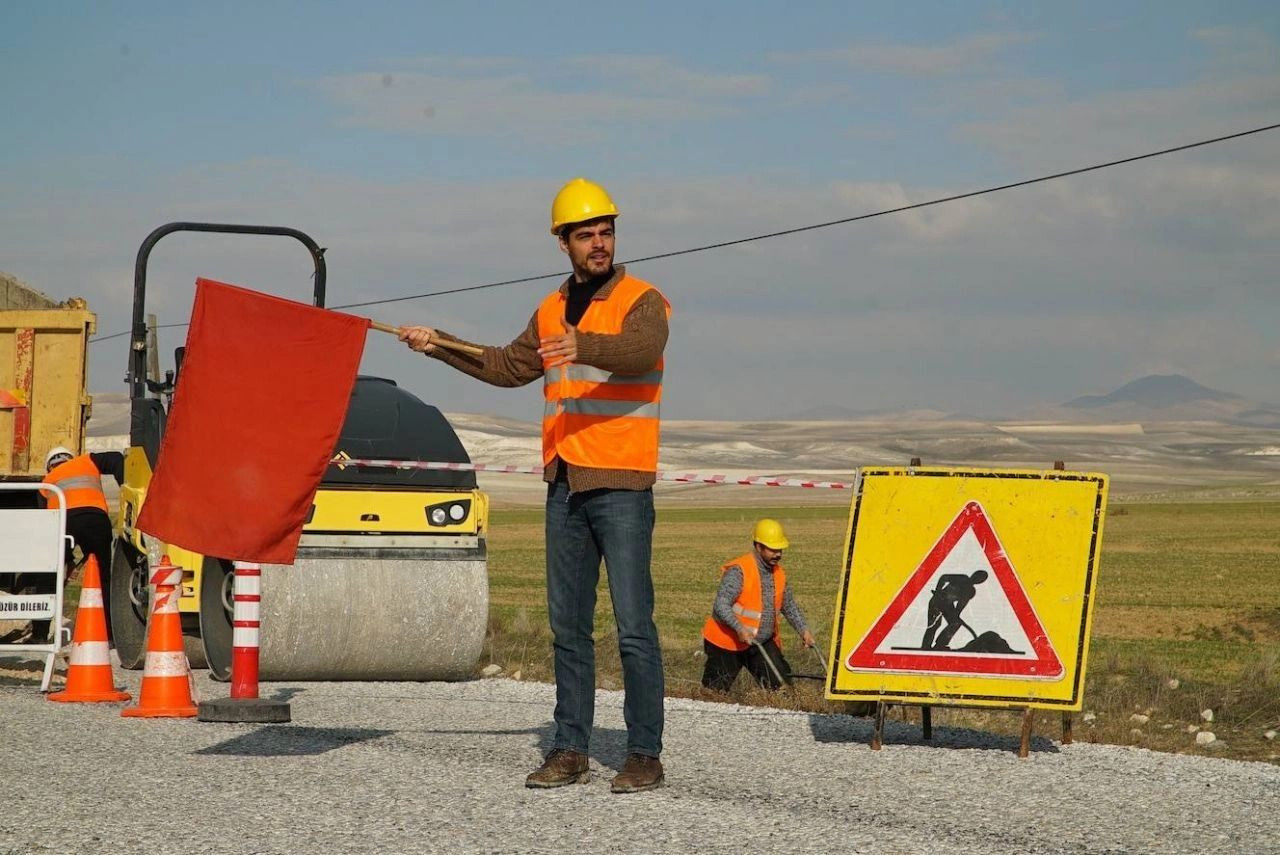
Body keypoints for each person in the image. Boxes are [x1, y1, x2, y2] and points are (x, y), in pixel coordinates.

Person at [399, 178, 670, 794]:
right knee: (568, 629)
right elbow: (505, 366)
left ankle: (644, 755)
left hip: (623, 484)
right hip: (565, 483)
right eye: (585, 235)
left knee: (634, 627)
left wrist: (586, 344)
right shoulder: (550, 309)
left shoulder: (642, 299)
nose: (598, 244)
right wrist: (438, 345)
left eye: (605, 232)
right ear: (564, 243)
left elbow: (641, 350)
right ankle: (570, 749)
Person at [701, 519, 814, 692]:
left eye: (780, 549)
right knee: (713, 694)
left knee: (782, 690)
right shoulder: (739, 571)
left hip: (761, 642)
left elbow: (789, 606)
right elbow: (721, 605)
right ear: (758, 546)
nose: (778, 554)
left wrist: (803, 630)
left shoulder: (779, 574)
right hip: (727, 643)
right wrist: (739, 628)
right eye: (772, 549)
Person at [33, 446, 123, 643]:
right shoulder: (86, 460)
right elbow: (116, 457)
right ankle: (108, 635)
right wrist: (124, 486)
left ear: (49, 466)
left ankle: (39, 635)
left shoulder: (46, 483)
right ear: (69, 458)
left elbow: (46, 522)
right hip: (96, 519)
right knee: (103, 578)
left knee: (48, 578)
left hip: (63, 523)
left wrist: (68, 559)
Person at [921, 570, 988, 650]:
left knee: (955, 623)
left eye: (980, 579)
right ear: (974, 573)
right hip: (938, 600)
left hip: (948, 605)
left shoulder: (970, 591)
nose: (977, 579)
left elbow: (960, 607)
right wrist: (938, 590)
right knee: (934, 624)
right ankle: (926, 646)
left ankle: (940, 644)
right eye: (978, 575)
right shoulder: (962, 578)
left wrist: (956, 615)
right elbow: (944, 578)